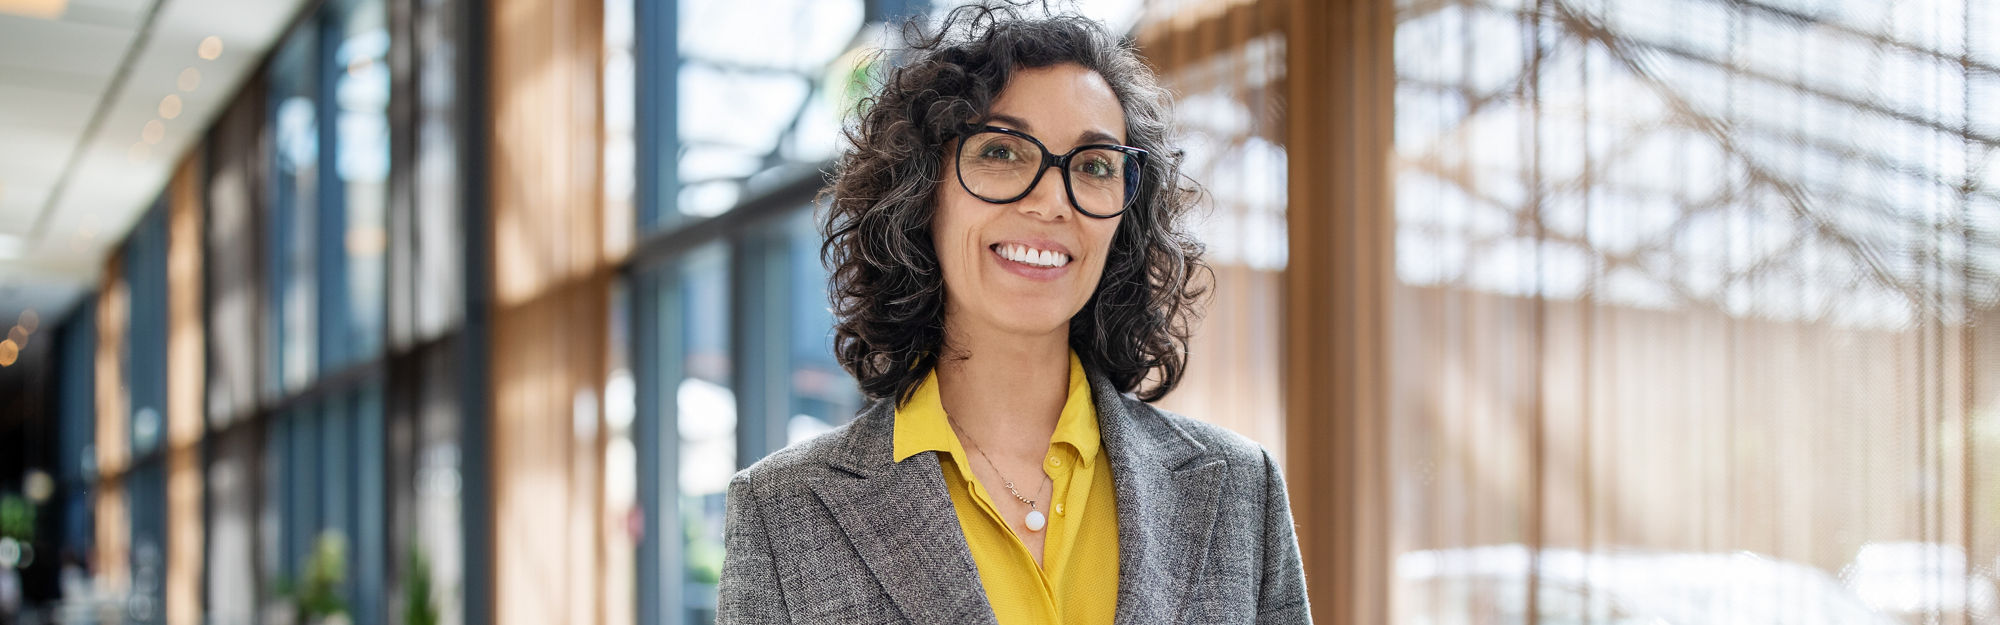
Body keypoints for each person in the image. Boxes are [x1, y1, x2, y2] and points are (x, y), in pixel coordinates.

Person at [717, 4, 1309, 623]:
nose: (1053, 201)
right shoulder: (783, 511)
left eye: (1095, 165)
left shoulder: (1241, 487)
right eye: (1001, 153)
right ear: (922, 192)